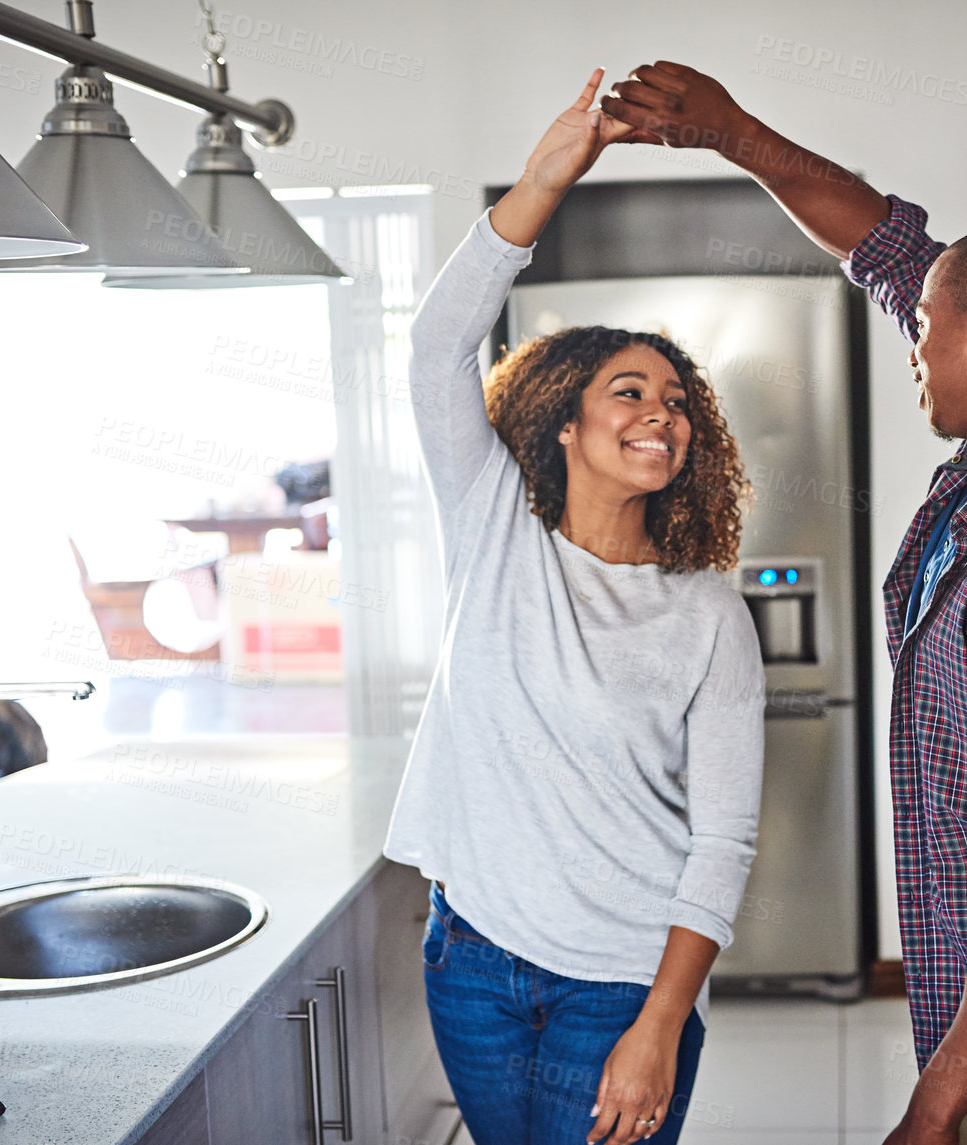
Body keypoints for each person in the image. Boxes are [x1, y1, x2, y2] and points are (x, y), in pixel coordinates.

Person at [600, 63, 967, 1145]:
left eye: (925, 323)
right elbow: (886, 255)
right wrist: (731, 132)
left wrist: (929, 1112)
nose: (908, 338)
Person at [381, 70, 765, 1145]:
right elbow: (432, 348)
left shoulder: (706, 616)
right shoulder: (492, 526)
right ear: (562, 421)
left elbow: (724, 840)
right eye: (630, 391)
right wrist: (549, 175)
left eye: (677, 400)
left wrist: (661, 1019)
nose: (661, 413)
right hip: (472, 960)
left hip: (622, 980)